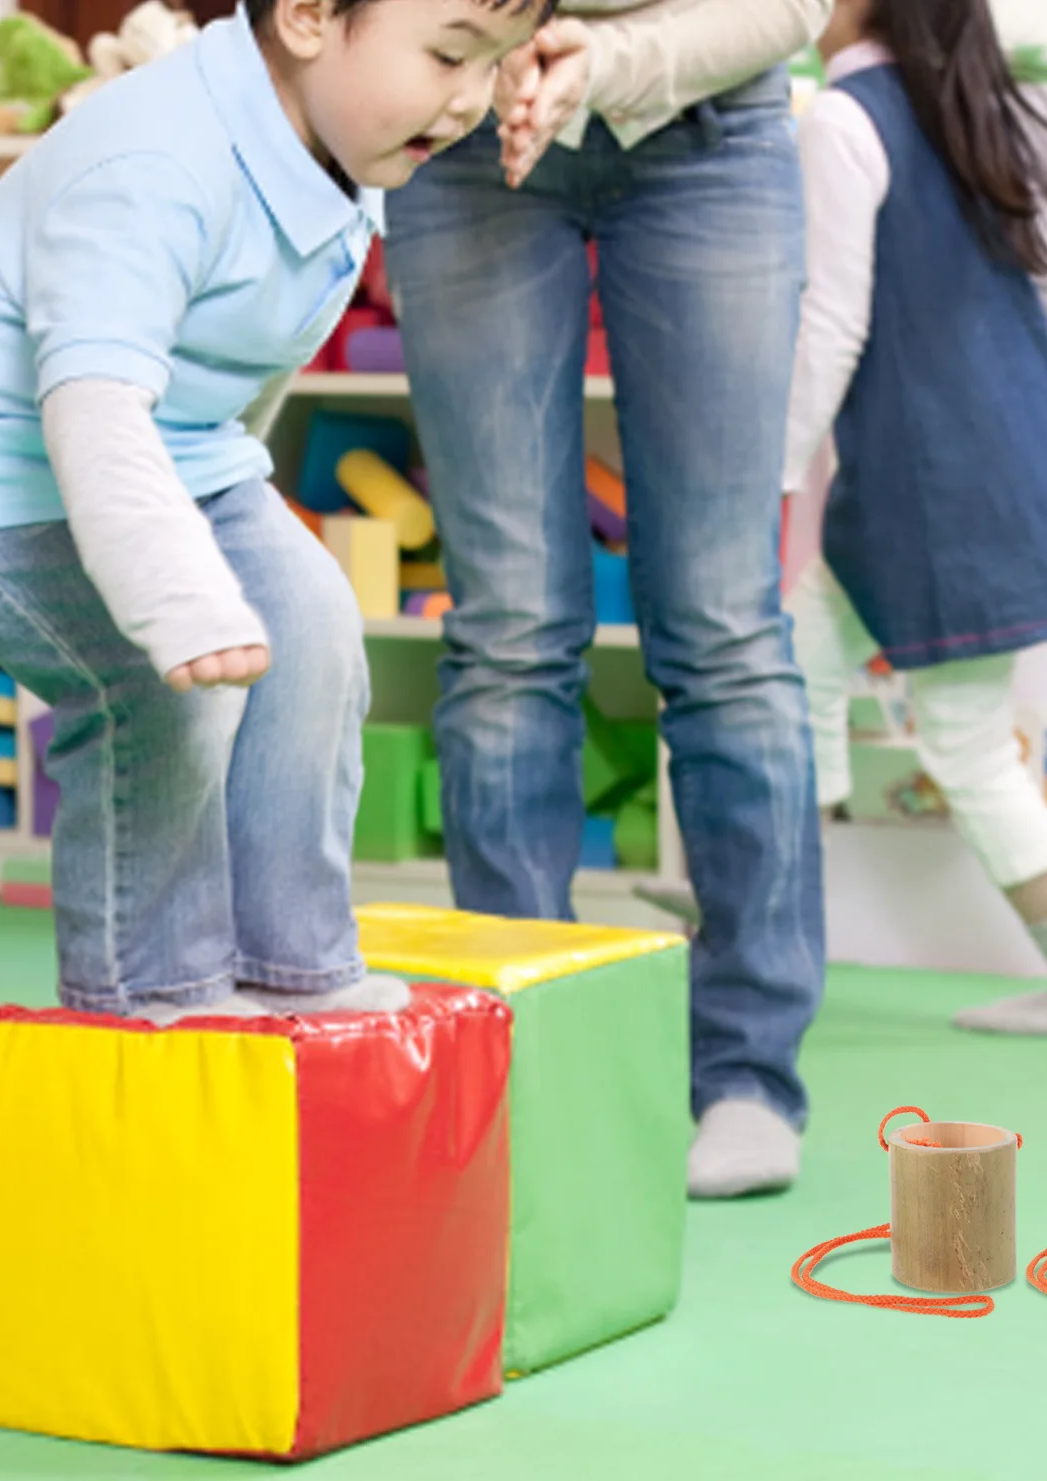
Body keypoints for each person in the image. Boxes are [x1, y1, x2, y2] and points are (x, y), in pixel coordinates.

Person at [0, 0, 549, 1023]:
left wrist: (231, 520)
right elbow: (92, 407)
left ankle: (289, 965)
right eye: (449, 54)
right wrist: (176, 590)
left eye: (491, 62)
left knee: (311, 622)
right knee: (159, 691)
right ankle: (151, 1001)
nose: (471, 98)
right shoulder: (155, 164)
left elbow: (227, 378)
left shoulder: (340, 148)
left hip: (164, 447)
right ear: (309, 16)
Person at [385, 1, 834, 1201]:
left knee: (724, 628)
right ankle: (528, 1047)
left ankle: (746, 1073)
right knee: (506, 631)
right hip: (469, 126)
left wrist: (610, 63)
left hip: (708, 128)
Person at [782, 0, 1047, 1039]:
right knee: (797, 651)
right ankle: (774, 922)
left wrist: (765, 480)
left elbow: (831, 325)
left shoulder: (844, 122)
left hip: (923, 493)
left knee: (965, 743)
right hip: (997, 476)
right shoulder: (975, 111)